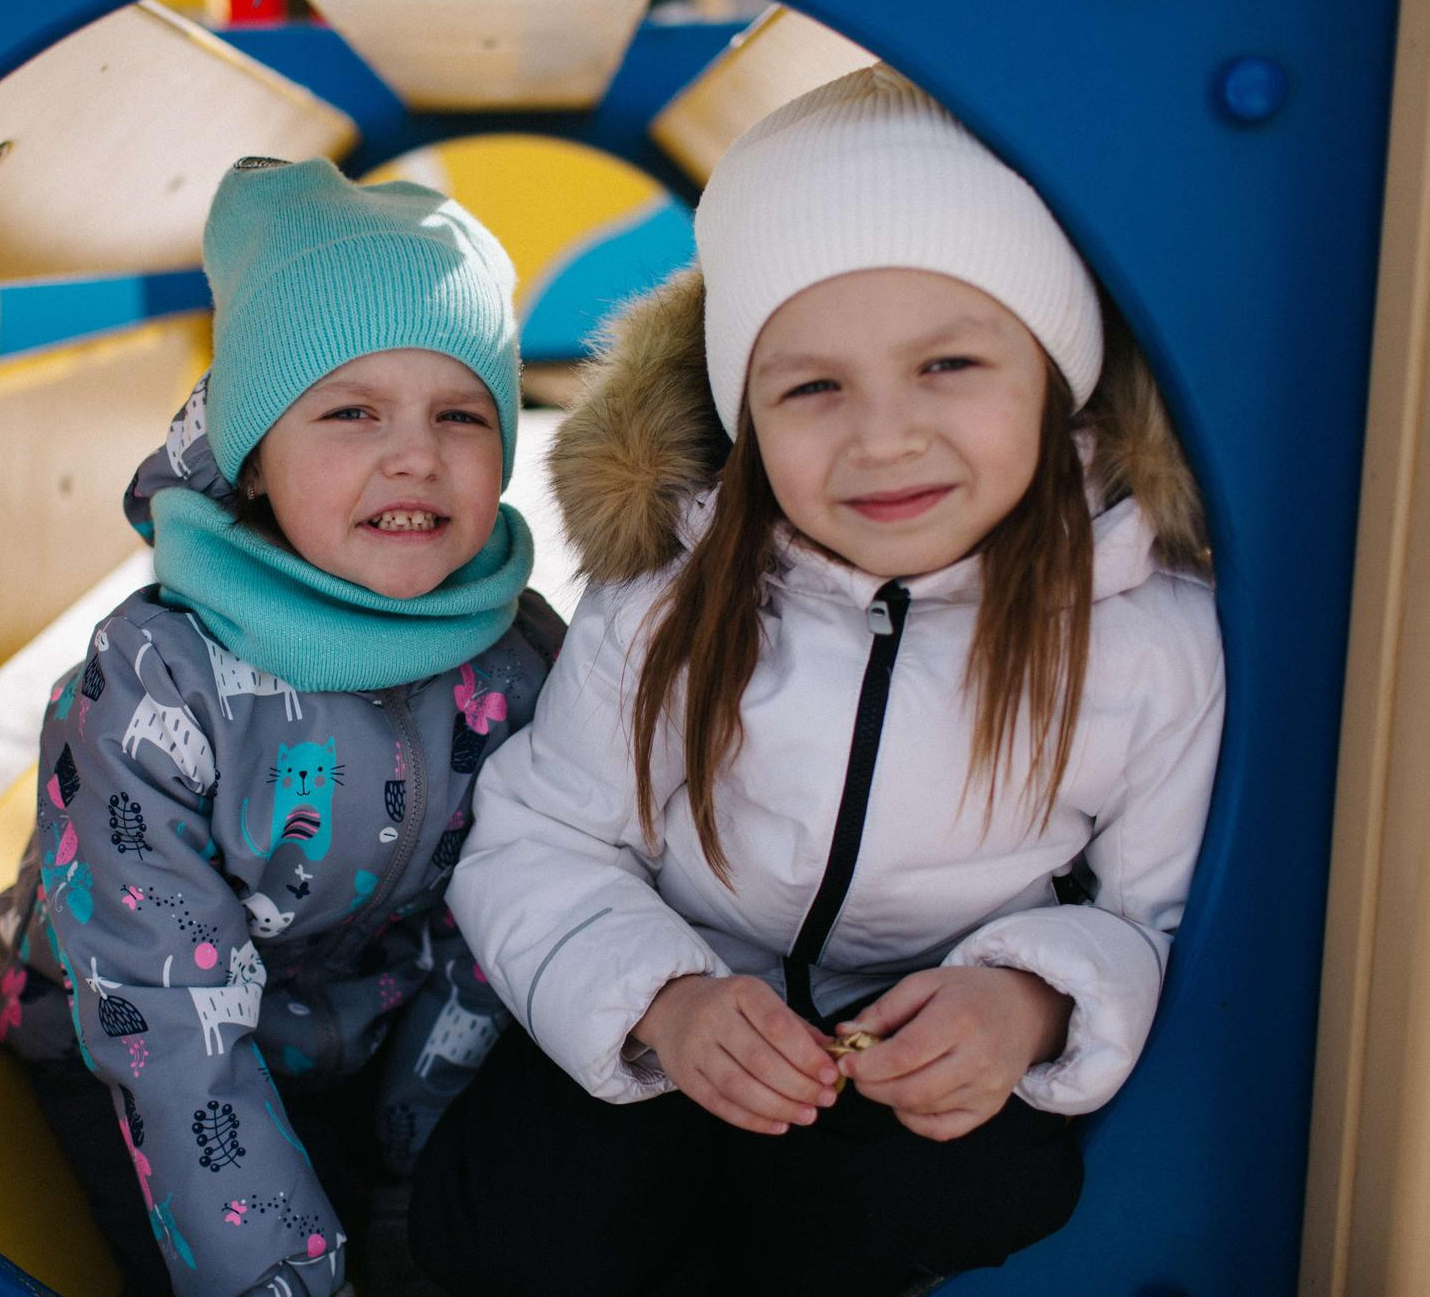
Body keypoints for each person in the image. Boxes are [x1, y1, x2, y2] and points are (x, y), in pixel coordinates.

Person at [409, 65, 1224, 1295]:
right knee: (506, 1212)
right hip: (680, 1029)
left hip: (914, 1074)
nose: (882, 434)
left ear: (1056, 374)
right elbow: (538, 840)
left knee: (968, 1183)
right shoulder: (668, 611)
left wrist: (1026, 1002)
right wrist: (664, 1005)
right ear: (745, 413)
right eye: (812, 386)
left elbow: (1155, 922)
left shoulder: (1146, 642)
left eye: (949, 364)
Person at [0, 156, 560, 1296]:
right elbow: (163, 1023)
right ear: (253, 458)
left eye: (460, 411)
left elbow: (503, 930)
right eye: (350, 411)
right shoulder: (158, 681)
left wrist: (415, 1172)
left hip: (359, 1044)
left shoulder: (518, 657)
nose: (415, 452)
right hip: (131, 1058)